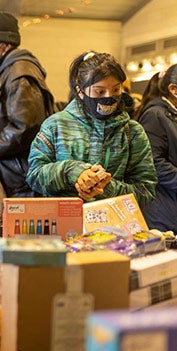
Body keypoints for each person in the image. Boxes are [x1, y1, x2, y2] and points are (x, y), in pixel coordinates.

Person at [26, 51, 157, 207]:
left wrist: (106, 187)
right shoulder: (55, 126)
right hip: (64, 222)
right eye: (100, 91)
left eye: (116, 90)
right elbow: (34, 176)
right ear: (80, 91)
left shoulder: (132, 131)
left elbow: (146, 191)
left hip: (112, 226)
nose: (109, 97)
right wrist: (72, 171)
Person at [0, 11, 55, 197]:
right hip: (16, 174)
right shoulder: (8, 72)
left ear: (4, 46)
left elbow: (24, 127)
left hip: (23, 178)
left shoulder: (19, 74)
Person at [136, 65, 177, 233]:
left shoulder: (171, 115)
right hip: (163, 210)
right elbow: (152, 162)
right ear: (173, 89)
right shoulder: (155, 115)